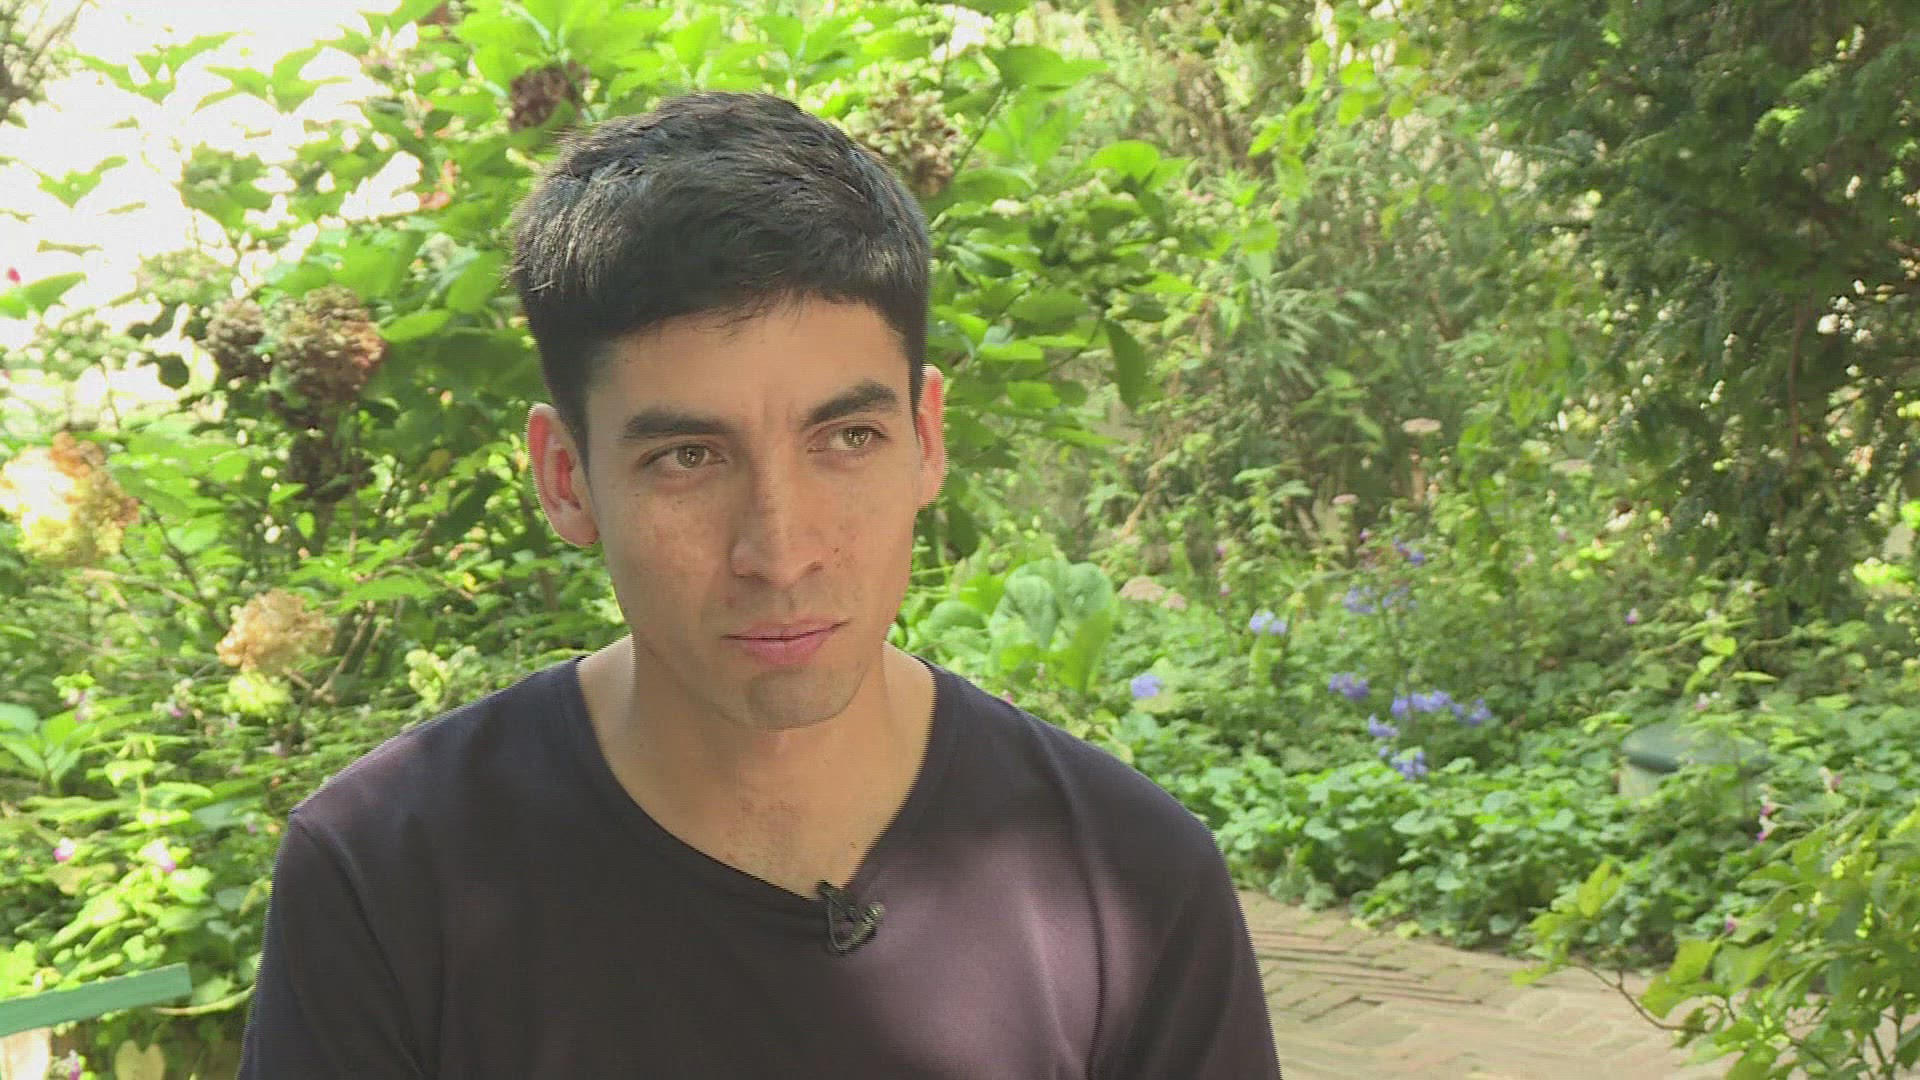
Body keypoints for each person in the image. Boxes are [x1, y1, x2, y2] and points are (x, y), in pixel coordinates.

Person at [237, 90, 1281, 1078]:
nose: (780, 553)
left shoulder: (1131, 882)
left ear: (926, 440)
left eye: (848, 438)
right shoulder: (383, 874)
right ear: (566, 479)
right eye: (688, 457)